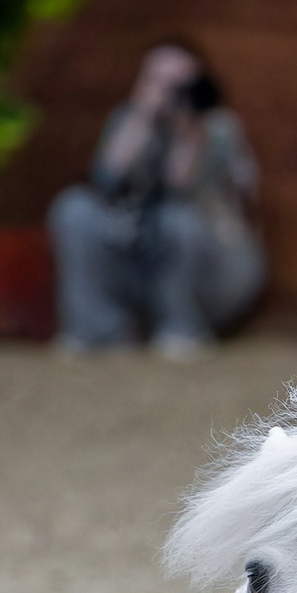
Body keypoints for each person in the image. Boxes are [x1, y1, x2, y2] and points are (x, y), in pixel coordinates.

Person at [48, 40, 265, 358]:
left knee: (176, 218)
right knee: (74, 207)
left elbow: (181, 185)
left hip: (214, 267)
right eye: (155, 80)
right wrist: (141, 118)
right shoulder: (130, 120)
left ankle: (182, 329)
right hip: (144, 256)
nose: (166, 91)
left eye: (177, 82)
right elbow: (107, 177)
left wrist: (188, 130)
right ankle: (97, 330)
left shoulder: (218, 127)